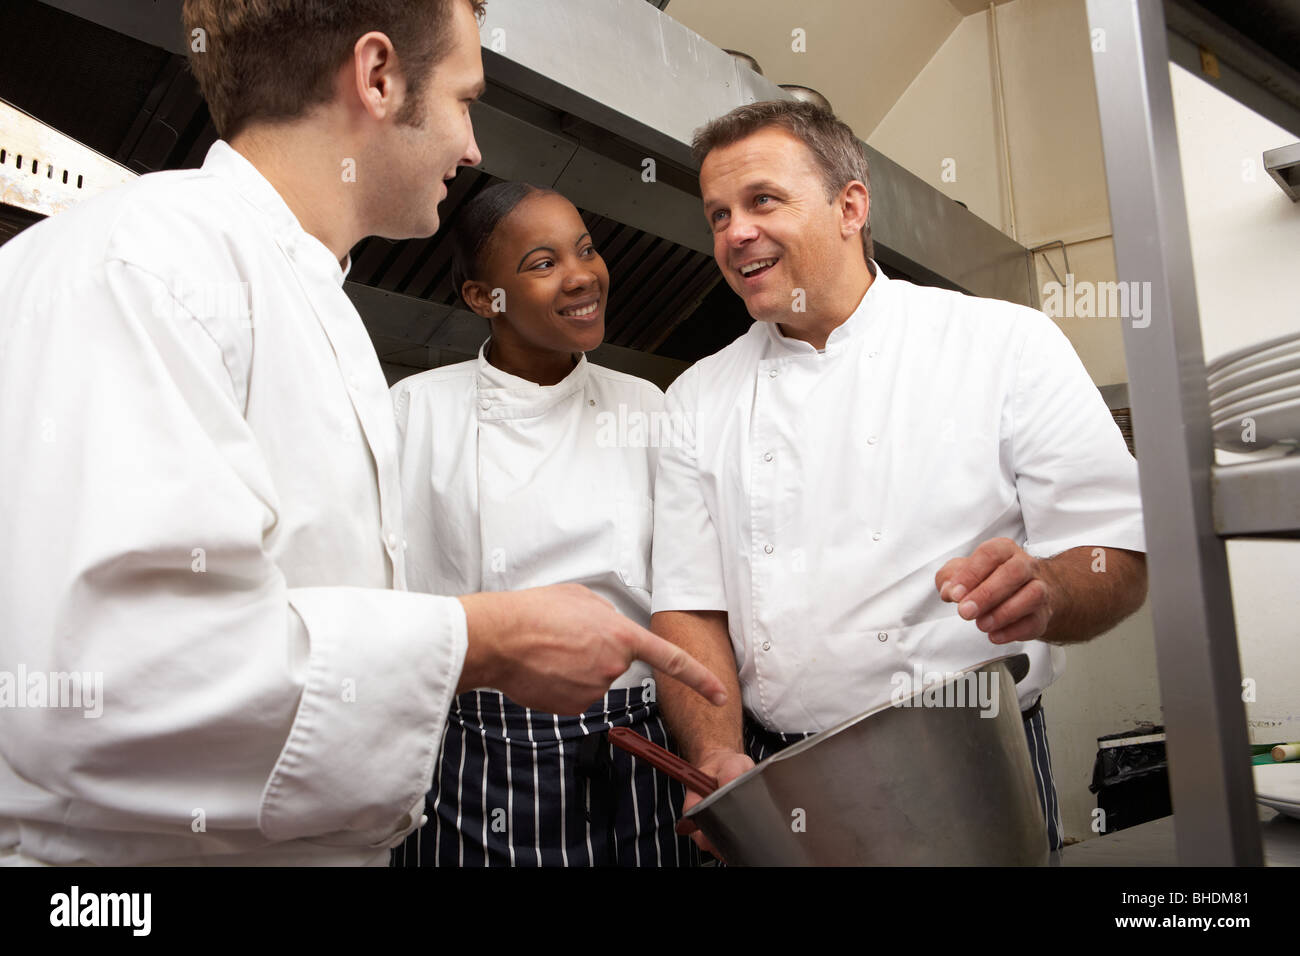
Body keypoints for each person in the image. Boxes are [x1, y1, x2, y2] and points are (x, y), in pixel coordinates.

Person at [0, 0, 723, 867]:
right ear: (377, 78)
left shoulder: (310, 298)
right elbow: (111, 692)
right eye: (464, 100)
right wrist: (487, 639)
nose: (473, 148)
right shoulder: (150, 261)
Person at [650, 100, 1149, 858]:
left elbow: (1116, 552)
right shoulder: (695, 398)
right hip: (787, 780)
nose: (734, 233)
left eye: (762, 201)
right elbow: (691, 608)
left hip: (976, 763)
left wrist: (1047, 588)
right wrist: (717, 751)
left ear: (850, 206)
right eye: (718, 214)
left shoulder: (1002, 343)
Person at [390, 182, 697, 867]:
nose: (582, 275)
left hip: (633, 743)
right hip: (477, 746)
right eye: (543, 262)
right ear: (481, 298)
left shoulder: (642, 405)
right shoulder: (415, 412)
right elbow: (383, 598)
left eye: (585, 250)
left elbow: (682, 590)